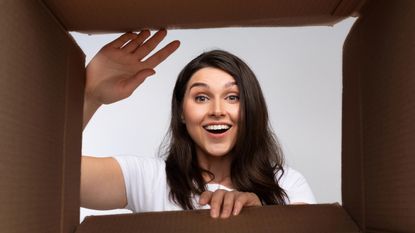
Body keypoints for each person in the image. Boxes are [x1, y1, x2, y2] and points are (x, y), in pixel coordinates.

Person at [81, 30, 316, 219]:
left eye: (232, 97)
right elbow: (51, 175)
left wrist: (261, 214)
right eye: (201, 98)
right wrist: (90, 94)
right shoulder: (148, 179)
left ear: (251, 108)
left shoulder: (287, 185)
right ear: (181, 112)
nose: (217, 111)